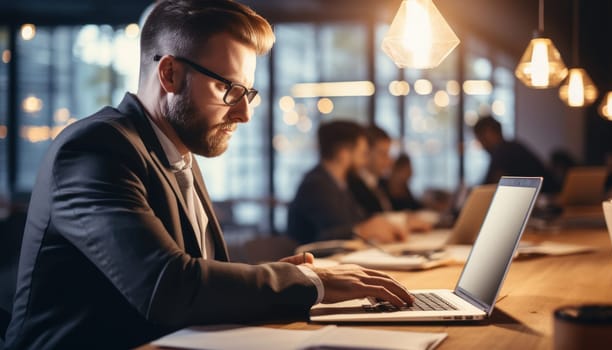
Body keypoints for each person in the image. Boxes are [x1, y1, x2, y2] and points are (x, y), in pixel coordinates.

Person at [3, 2, 413, 349]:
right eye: (229, 90)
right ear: (170, 75)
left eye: (248, 93)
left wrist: (273, 278)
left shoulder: (176, 152)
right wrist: (305, 280)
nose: (245, 112)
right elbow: (166, 287)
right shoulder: (95, 149)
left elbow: (193, 277)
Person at [287, 120, 408, 245]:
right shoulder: (316, 185)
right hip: (312, 261)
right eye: (362, 154)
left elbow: (358, 218)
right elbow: (327, 235)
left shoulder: (339, 183)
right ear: (343, 154)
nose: (364, 161)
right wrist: (362, 230)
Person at [473, 115, 557, 193]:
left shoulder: (502, 151)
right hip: (548, 193)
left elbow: (489, 187)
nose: (482, 145)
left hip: (546, 198)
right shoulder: (513, 146)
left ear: (489, 133)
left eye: (480, 138)